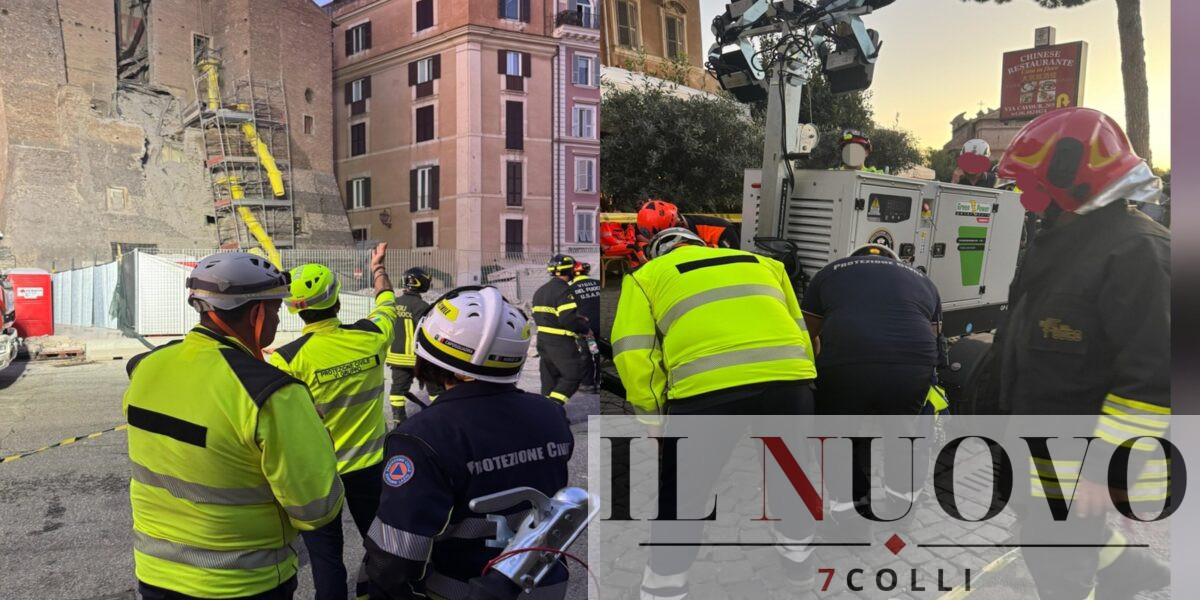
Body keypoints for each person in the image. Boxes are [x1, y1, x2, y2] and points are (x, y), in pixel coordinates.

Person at [996, 106, 1170, 600]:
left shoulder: (1139, 252)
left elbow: (1153, 381)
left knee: (1058, 568)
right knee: (1035, 520)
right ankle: (1129, 569)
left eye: (1035, 184)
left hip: (1082, 460)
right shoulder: (1063, 239)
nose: (1028, 197)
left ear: (1073, 176)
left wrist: (1105, 472)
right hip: (1041, 444)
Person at [611, 227, 819, 598]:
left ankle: (665, 584)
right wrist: (803, 386)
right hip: (788, 380)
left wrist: (654, 421)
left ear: (656, 253)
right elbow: (800, 330)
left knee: (684, 492)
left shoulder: (646, 277)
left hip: (706, 389)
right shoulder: (765, 264)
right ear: (702, 245)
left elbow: (634, 353)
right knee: (791, 475)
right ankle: (799, 565)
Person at [124, 252, 343, 599]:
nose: (277, 318)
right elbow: (317, 509)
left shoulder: (146, 367)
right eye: (275, 309)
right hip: (243, 583)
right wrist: (319, 442)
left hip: (156, 574)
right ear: (257, 314)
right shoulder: (272, 394)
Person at [362, 286, 574, 599]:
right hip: (543, 585)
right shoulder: (551, 413)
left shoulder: (421, 436)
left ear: (428, 351)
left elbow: (397, 557)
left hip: (461, 589)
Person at [267, 243, 397, 600]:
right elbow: (387, 303)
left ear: (295, 309)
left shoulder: (287, 360)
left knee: (326, 557)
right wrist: (378, 268)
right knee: (381, 545)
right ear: (337, 298)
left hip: (319, 475)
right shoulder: (371, 336)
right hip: (371, 467)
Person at [800, 242, 943, 531]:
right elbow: (934, 333)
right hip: (913, 363)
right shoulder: (923, 280)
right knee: (904, 431)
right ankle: (903, 505)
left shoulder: (829, 272)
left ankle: (849, 515)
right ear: (895, 261)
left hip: (847, 361)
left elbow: (807, 333)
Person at [531, 254, 590, 404]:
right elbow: (567, 319)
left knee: (549, 377)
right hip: (560, 341)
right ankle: (555, 406)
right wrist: (584, 328)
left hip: (543, 339)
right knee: (573, 375)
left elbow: (540, 314)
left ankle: (546, 410)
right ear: (570, 271)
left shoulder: (541, 291)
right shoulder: (564, 291)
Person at [386, 267, 434, 424]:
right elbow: (427, 331)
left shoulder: (394, 303)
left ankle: (398, 418)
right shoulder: (421, 306)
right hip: (417, 357)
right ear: (420, 283)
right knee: (435, 388)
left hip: (396, 357)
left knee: (397, 389)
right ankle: (439, 415)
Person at [636, 199, 740, 250]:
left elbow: (735, 265)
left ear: (679, 224)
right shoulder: (654, 231)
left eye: (670, 237)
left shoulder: (722, 230)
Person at [570, 261, 602, 390]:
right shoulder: (597, 283)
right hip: (599, 325)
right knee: (598, 353)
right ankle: (599, 381)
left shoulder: (570, 288)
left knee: (586, 354)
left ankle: (587, 383)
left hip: (587, 329)